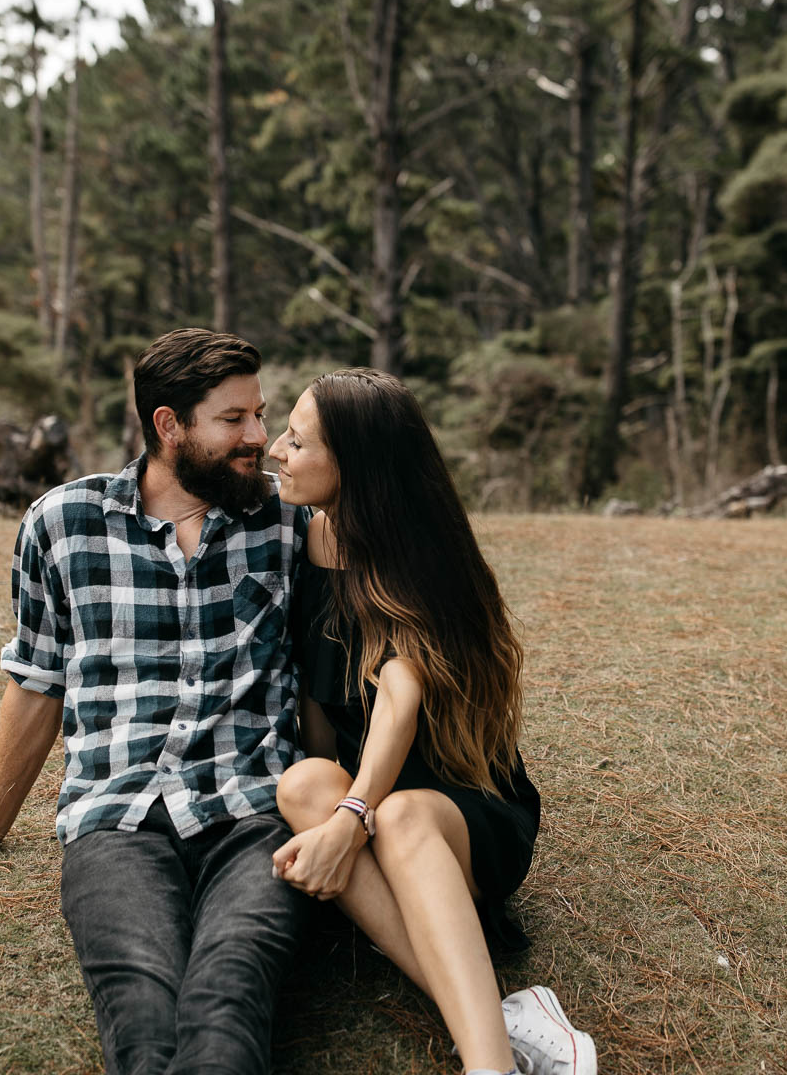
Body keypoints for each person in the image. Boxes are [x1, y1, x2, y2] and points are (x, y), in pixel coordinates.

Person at [0, 328, 307, 1075]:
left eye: (260, 413)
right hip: (114, 816)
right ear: (168, 425)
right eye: (234, 420)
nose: (260, 437)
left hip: (256, 809)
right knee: (140, 1001)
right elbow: (36, 681)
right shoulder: (62, 524)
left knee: (231, 990)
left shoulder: (288, 523)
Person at [266, 367, 596, 1075]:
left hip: (464, 812)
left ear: (351, 465)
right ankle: (508, 1021)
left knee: (406, 814)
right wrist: (331, 805)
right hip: (374, 801)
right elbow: (323, 713)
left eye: (296, 441)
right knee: (300, 785)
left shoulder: (419, 559)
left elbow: (398, 696)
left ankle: (490, 1067)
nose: (274, 450)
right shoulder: (307, 540)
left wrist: (353, 815)